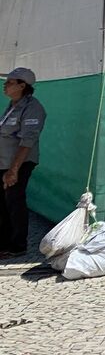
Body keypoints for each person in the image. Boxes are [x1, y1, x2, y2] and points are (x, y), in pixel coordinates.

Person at [1, 68, 46, 258]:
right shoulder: (13, 105)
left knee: (14, 202)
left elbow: (27, 141)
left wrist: (13, 170)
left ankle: (18, 245)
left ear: (22, 85)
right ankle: (4, 243)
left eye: (10, 82)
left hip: (17, 164)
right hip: (4, 162)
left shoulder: (32, 107)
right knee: (3, 204)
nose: (5, 85)